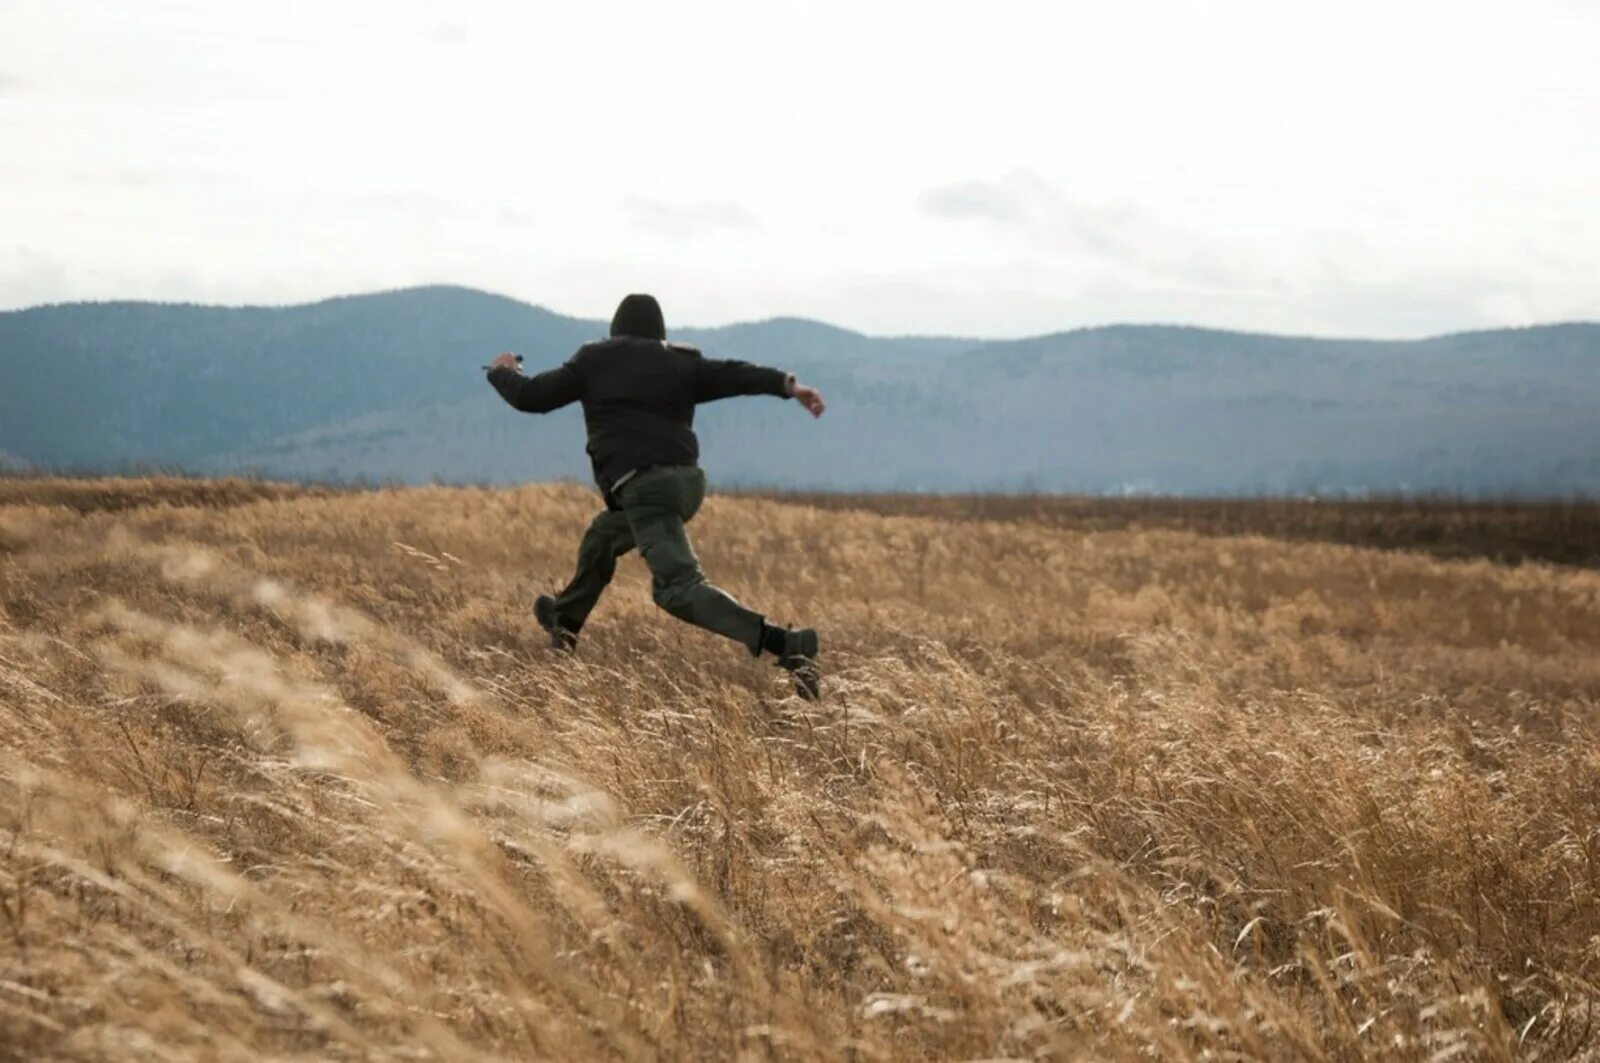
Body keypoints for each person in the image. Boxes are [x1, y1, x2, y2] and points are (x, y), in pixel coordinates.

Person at [486, 293, 827, 699]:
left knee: (677, 589)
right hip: (685, 484)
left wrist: (502, 372)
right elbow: (736, 375)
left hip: (644, 486)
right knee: (602, 537)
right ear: (659, 334)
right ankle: (565, 621)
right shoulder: (680, 362)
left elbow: (532, 397)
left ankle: (786, 645)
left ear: (616, 332)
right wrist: (789, 386)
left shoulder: (595, 361)